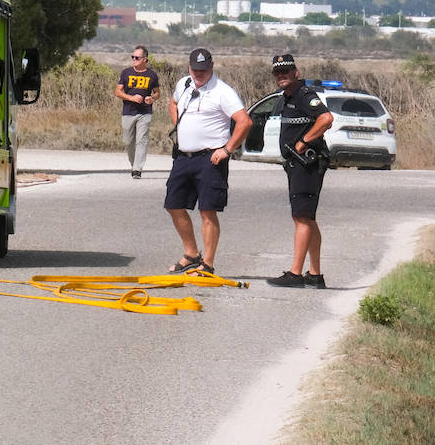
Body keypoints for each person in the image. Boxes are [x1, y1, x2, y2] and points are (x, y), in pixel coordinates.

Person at [164, 47, 251, 275]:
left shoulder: (223, 92)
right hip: (184, 156)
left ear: (211, 67)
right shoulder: (184, 84)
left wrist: (228, 149)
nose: (198, 74)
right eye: (195, 69)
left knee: (207, 210)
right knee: (173, 204)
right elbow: (173, 104)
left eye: (203, 70)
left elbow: (244, 122)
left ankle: (208, 264)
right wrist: (178, 127)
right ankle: (191, 254)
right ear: (189, 67)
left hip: (210, 158)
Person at [265, 54, 334, 289]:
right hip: (296, 165)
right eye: (278, 72)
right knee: (308, 218)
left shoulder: (305, 96)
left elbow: (326, 118)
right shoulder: (287, 98)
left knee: (301, 218)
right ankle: (315, 274)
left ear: (296, 72)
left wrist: (304, 141)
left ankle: (295, 274)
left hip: (307, 163)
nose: (282, 75)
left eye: (286, 71)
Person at [115, 45, 159, 178]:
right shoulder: (126, 72)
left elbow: (157, 93)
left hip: (145, 113)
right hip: (128, 111)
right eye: (132, 57)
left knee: (142, 140)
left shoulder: (152, 74)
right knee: (128, 142)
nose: (134, 59)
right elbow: (117, 91)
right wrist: (131, 98)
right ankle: (134, 163)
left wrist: (152, 98)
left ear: (145, 59)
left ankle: (137, 169)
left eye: (137, 58)